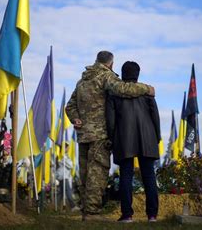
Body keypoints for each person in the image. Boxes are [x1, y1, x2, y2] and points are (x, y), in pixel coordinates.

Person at [66, 51, 155, 221]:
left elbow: (70, 105)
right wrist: (147, 88)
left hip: (84, 133)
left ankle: (86, 211)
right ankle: (92, 213)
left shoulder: (82, 81)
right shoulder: (105, 76)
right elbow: (123, 89)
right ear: (111, 64)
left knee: (85, 174)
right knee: (97, 172)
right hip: (100, 134)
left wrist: (75, 118)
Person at [106, 61, 160, 223]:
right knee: (149, 176)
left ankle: (127, 215)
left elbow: (110, 120)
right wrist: (156, 137)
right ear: (138, 74)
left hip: (124, 139)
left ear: (122, 74)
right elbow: (155, 116)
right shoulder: (147, 92)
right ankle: (152, 216)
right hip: (147, 138)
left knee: (126, 176)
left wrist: (112, 138)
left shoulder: (114, 93)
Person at [56, 142, 79, 212]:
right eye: (67, 147)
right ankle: (73, 206)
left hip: (63, 176)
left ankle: (56, 206)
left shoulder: (64, 155)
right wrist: (70, 162)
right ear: (64, 148)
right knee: (68, 191)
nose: (68, 149)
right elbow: (70, 165)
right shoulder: (62, 156)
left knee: (61, 193)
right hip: (63, 176)